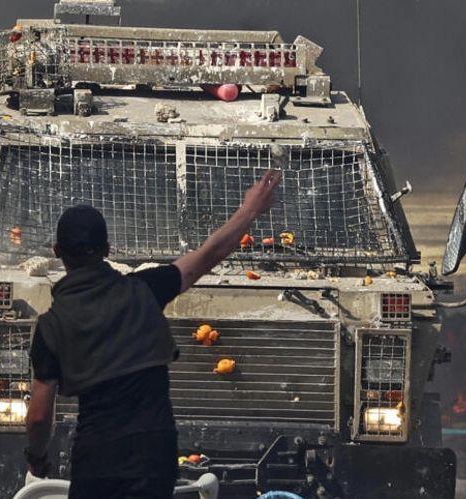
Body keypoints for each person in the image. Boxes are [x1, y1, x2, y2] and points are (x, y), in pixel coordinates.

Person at [24, 169, 282, 498]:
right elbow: (208, 255)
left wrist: (36, 459)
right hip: (154, 457)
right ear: (107, 248)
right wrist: (250, 210)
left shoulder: (50, 327)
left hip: (98, 458)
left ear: (57, 251)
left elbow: (39, 417)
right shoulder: (146, 289)